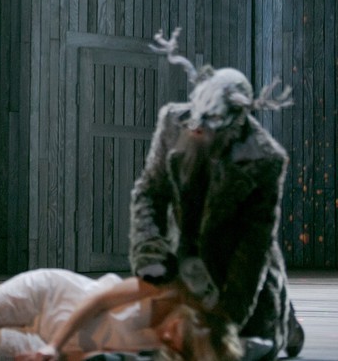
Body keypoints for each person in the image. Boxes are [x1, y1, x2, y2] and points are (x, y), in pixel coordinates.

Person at [129, 28, 305, 360]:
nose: (197, 128)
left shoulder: (265, 159)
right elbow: (149, 193)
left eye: (209, 121)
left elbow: (253, 246)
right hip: (186, 249)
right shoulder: (173, 122)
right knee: (159, 339)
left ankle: (287, 322)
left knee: (254, 341)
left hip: (232, 254)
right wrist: (151, 256)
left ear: (236, 121)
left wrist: (226, 320)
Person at [0, 266, 242, 361]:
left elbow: (95, 353)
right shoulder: (163, 291)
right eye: (176, 332)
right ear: (191, 316)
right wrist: (57, 345)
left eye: (175, 346)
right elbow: (97, 301)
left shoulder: (158, 352)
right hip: (50, 296)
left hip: (48, 341)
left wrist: (53, 352)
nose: (167, 338)